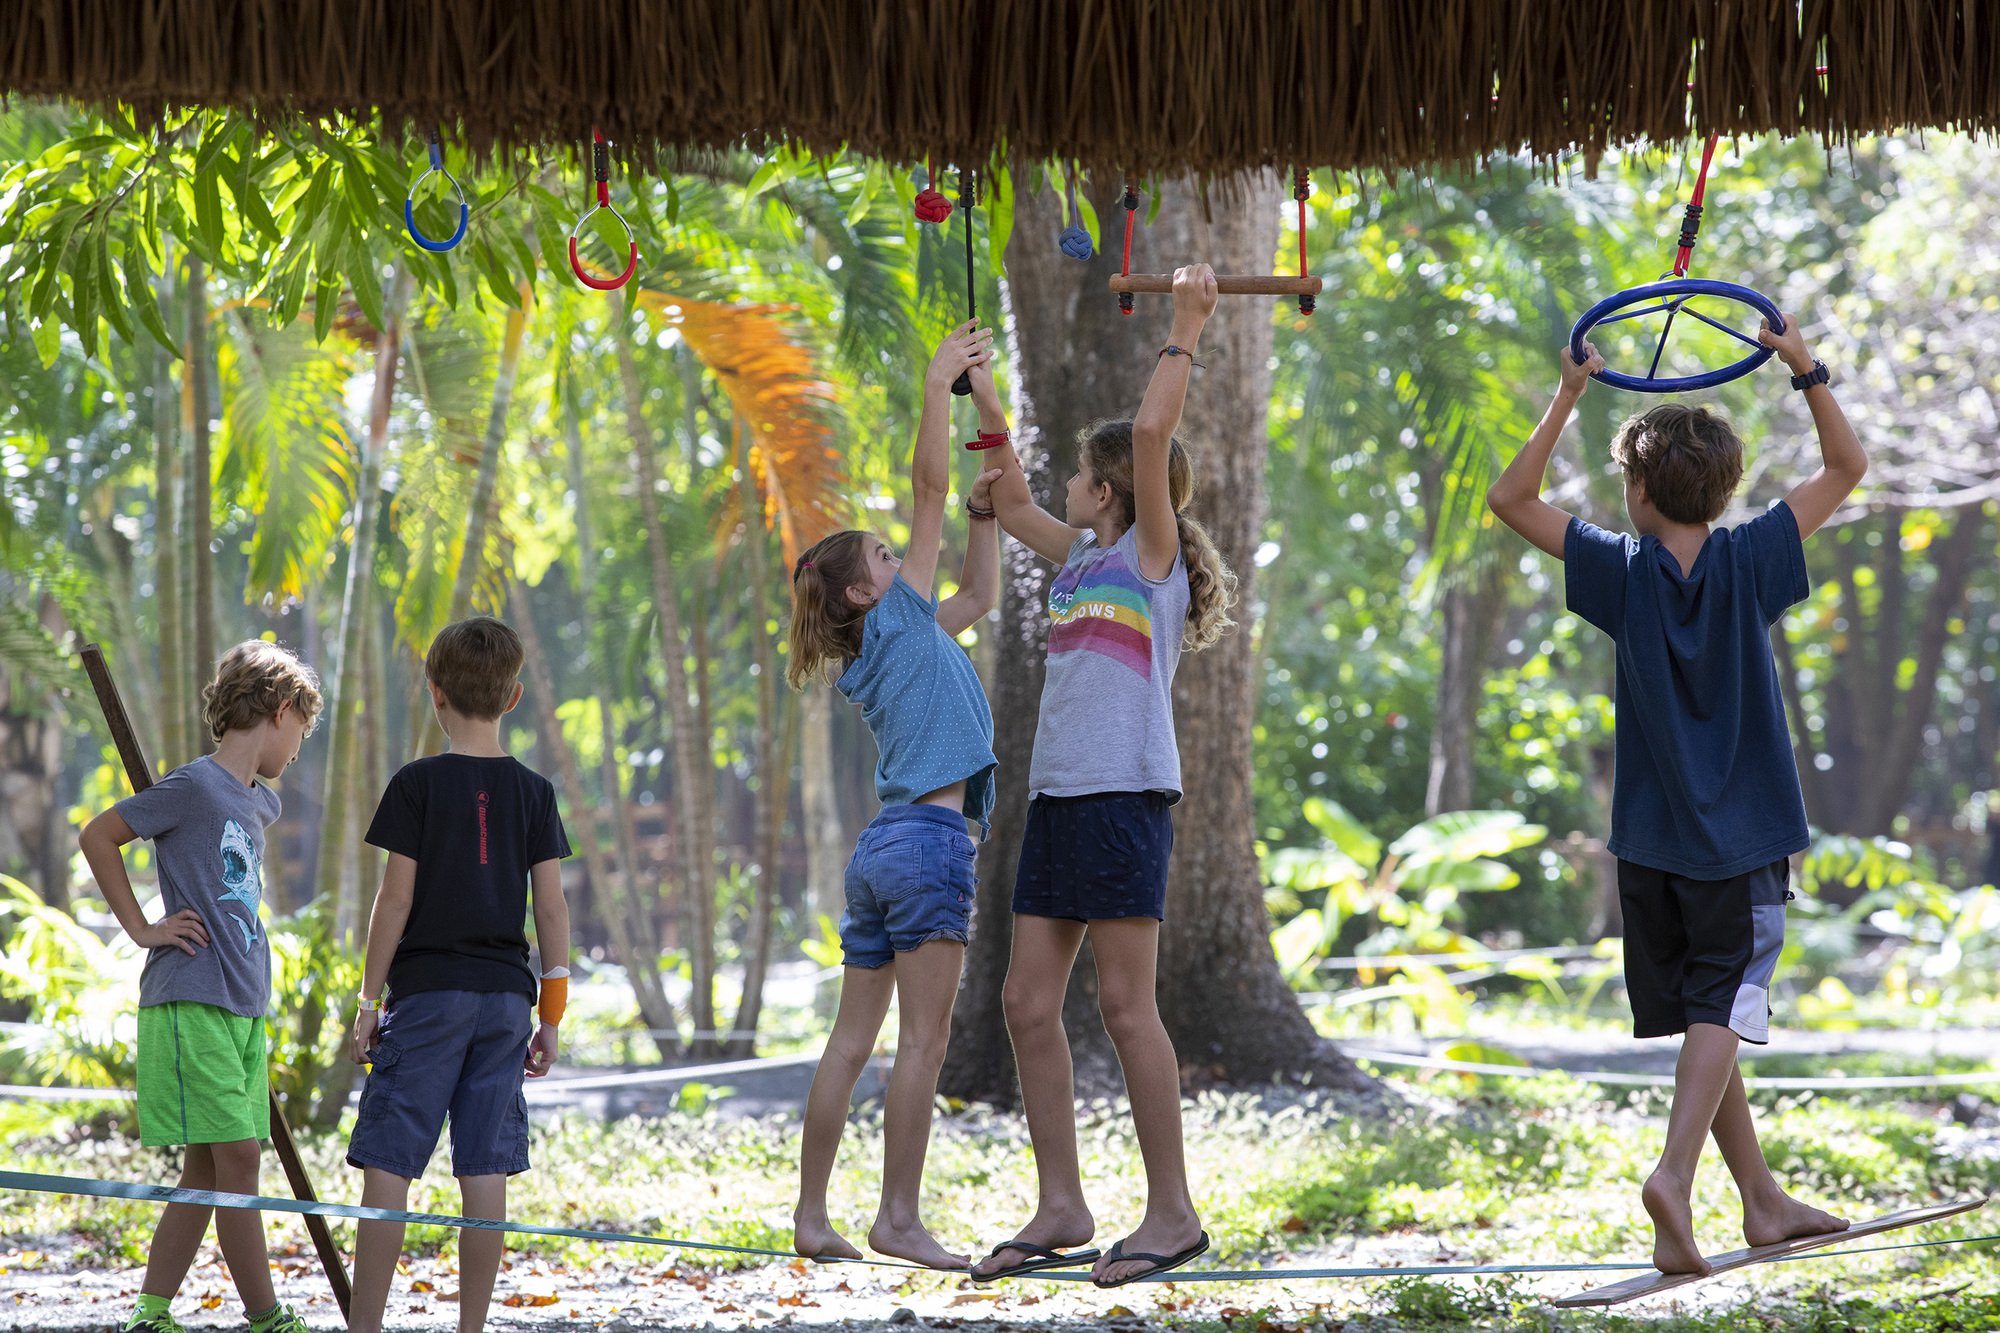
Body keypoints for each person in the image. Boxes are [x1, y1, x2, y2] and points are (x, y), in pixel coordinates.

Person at [1485, 317, 1867, 1274]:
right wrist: (1799, 364)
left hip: (1652, 844)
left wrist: (1571, 391)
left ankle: (1764, 1200)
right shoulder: (1753, 557)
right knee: (1725, 1007)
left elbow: (1510, 496)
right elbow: (1846, 464)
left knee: (1709, 1010)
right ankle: (1674, 1172)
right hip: (1741, 842)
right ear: (1728, 487)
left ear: (1639, 490)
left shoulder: (1617, 570)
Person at [972, 264, 1235, 1289]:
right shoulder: (1077, 562)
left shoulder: (1147, 565)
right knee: (1025, 1002)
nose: (1067, 493)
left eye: (1084, 479)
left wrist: (1184, 322)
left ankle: (1171, 1214)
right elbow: (1016, 492)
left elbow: (1153, 439)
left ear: (1111, 488)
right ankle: (1061, 1203)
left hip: (1125, 801)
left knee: (1127, 1008)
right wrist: (981, 391)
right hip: (1056, 804)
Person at [786, 319, 1005, 1270]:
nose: (895, 555)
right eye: (881, 555)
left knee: (850, 1040)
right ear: (864, 595)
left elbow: (982, 598)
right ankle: (899, 1219)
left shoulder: (900, 638)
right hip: (926, 845)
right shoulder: (894, 623)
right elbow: (928, 485)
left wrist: (983, 522)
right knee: (924, 1039)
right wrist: (934, 385)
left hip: (885, 849)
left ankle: (810, 1213)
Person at [79, 641, 322, 1333]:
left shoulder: (257, 801)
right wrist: (142, 928)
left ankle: (150, 1313)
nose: (299, 750)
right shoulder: (191, 786)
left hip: (243, 1005)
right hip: (191, 996)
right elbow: (99, 836)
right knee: (240, 1158)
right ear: (280, 712)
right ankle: (267, 1317)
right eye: (301, 731)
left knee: (207, 1170)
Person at [345, 616, 572, 1333]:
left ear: (434, 692)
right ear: (514, 697)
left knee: (388, 1159)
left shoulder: (415, 784)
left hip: (428, 997)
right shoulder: (535, 792)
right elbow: (553, 908)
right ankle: (471, 1328)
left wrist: (368, 998)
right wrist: (553, 1015)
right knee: (485, 1167)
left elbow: (396, 899)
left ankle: (366, 1326)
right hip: (507, 1002)